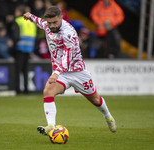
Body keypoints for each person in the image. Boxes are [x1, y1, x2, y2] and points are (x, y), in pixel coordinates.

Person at [23, 6, 117, 135]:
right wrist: (30, 16)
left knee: (95, 99)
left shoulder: (68, 32)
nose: (52, 25)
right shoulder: (47, 25)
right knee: (48, 91)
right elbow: (40, 22)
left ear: (61, 18)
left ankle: (108, 117)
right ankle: (51, 126)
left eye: (55, 22)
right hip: (62, 74)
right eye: (49, 23)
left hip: (78, 72)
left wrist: (56, 73)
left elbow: (68, 56)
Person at [12, 5, 37, 94]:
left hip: (20, 48)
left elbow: (16, 36)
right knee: (25, 70)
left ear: (20, 12)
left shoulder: (18, 21)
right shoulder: (31, 23)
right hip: (29, 49)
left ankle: (18, 90)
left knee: (18, 70)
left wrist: (13, 47)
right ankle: (26, 90)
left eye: (16, 11)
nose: (15, 13)